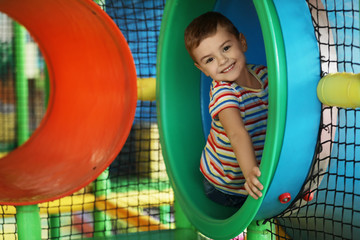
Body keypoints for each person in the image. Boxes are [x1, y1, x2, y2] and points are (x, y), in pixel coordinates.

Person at [184, 11, 268, 207]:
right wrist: (249, 172)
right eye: (209, 60)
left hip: (252, 174)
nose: (222, 61)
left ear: (242, 42)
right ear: (203, 69)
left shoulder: (264, 75)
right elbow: (237, 133)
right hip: (224, 185)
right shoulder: (224, 93)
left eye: (226, 48)